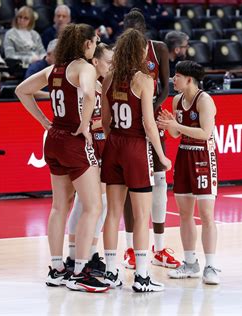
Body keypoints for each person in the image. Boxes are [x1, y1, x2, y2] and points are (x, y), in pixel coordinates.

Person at [15, 23, 109, 293]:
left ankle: (57, 269)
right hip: (73, 140)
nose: (96, 45)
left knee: (59, 206)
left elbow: (21, 90)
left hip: (54, 138)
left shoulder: (53, 69)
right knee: (93, 206)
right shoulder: (85, 68)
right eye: (95, 41)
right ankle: (80, 272)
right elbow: (90, 94)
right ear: (87, 44)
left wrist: (45, 121)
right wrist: (85, 125)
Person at [101, 28, 172, 292]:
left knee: (113, 213)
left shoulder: (109, 77)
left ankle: (111, 272)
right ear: (141, 51)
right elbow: (149, 124)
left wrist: (114, 140)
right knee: (142, 216)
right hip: (135, 146)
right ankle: (141, 277)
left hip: (114, 144)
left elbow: (106, 121)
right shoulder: (144, 79)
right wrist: (162, 156)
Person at [121, 9, 180, 271]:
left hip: (152, 120)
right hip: (129, 127)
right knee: (128, 187)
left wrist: (152, 108)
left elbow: (166, 86)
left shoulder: (159, 49)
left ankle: (158, 246)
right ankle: (130, 248)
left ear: (143, 32)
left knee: (159, 182)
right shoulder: (119, 53)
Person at [157, 60, 221, 285]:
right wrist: (168, 126)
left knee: (206, 214)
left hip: (203, 156)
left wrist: (177, 125)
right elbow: (176, 136)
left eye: (177, 76)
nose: (174, 79)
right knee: (184, 213)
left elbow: (205, 133)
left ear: (189, 80)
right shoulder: (176, 100)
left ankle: (211, 265)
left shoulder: (205, 100)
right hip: (184, 155)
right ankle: (190, 262)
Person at [65, 43, 114, 277]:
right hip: (88, 145)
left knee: (88, 204)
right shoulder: (87, 83)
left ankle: (79, 253)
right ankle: (85, 254)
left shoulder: (100, 84)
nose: (112, 66)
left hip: (99, 144)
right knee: (93, 204)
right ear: (96, 62)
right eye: (109, 62)